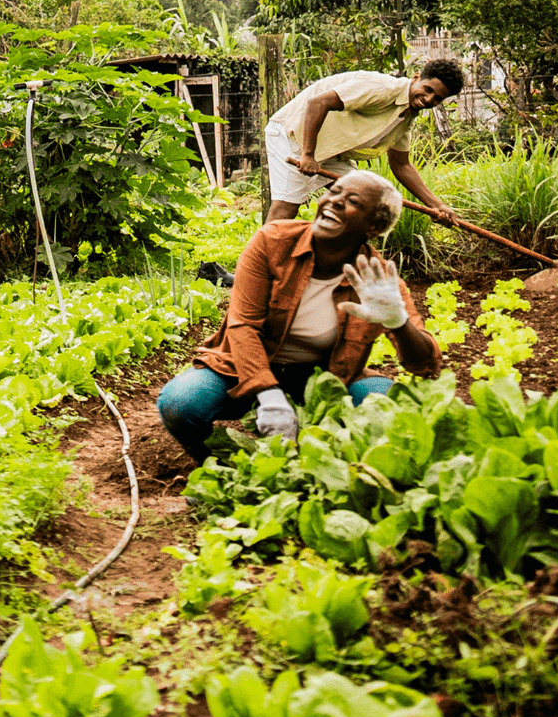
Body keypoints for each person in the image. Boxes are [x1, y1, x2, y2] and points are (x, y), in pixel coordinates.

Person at [158, 168, 444, 468]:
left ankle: (333, 463)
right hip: (242, 367)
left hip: (324, 380)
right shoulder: (272, 242)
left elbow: (426, 366)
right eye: (334, 192)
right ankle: (222, 470)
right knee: (181, 402)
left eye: (353, 201)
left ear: (373, 226)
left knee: (387, 406)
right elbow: (242, 324)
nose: (333, 201)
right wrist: (269, 395)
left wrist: (397, 320)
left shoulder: (378, 281)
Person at [264, 58, 466, 224]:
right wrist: (308, 154)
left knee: (364, 199)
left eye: (438, 98)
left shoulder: (406, 116)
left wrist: (436, 206)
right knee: (285, 211)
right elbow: (318, 102)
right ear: (416, 78)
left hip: (329, 150)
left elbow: (401, 164)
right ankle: (258, 271)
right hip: (293, 134)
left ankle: (328, 259)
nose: (429, 100)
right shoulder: (382, 88)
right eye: (428, 89)